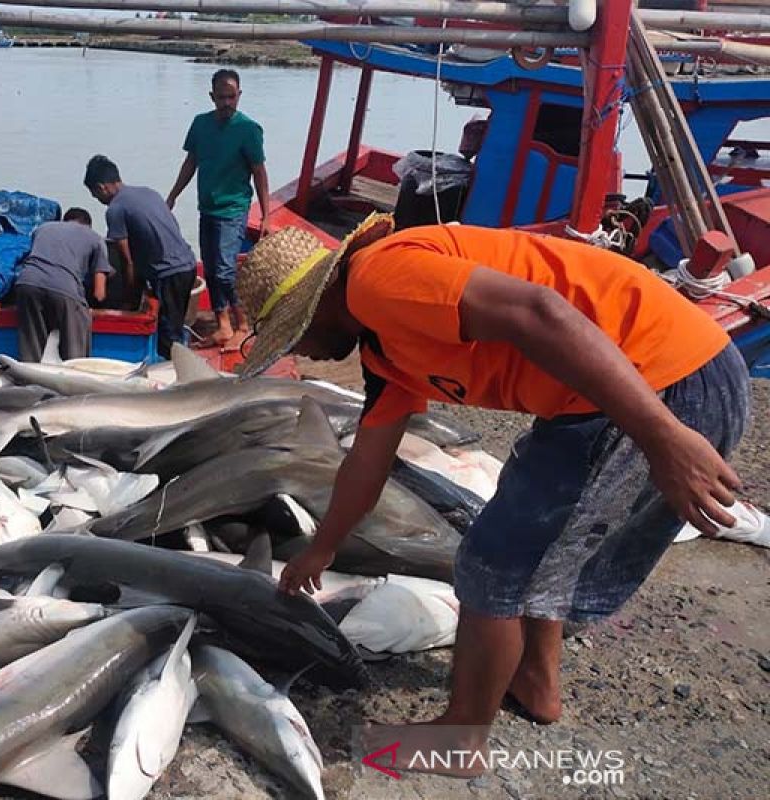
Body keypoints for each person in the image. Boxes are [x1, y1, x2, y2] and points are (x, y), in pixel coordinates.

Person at [237, 216, 749, 776]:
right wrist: (324, 546)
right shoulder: (384, 352)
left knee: (491, 564)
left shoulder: (377, 280)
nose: (305, 349)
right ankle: (535, 682)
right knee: (531, 530)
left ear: (319, 302)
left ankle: (461, 739)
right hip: (602, 397)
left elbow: (542, 312)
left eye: (297, 332)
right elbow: (369, 458)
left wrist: (662, 437)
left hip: (659, 381)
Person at [167, 68, 270, 349]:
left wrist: (266, 215)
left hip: (233, 208)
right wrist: (174, 194)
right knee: (211, 269)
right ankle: (223, 325)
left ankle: (243, 324)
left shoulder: (248, 129)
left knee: (225, 269)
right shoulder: (201, 124)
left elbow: (259, 172)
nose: (226, 103)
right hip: (207, 207)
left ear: (239, 96)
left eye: (232, 97)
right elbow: (191, 163)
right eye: (221, 97)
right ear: (212, 96)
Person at [84, 154, 197, 359]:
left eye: (95, 195)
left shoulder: (115, 209)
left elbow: (128, 261)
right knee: (174, 325)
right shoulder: (148, 192)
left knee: (168, 338)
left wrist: (130, 299)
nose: (98, 200)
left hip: (169, 274)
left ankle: (174, 377)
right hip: (187, 264)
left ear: (102, 187)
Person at [13, 207, 110, 362]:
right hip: (64, 288)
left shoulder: (43, 228)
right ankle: (74, 378)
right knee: (74, 350)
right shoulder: (95, 238)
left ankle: (30, 381)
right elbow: (99, 293)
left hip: (27, 283)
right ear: (88, 225)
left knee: (32, 348)